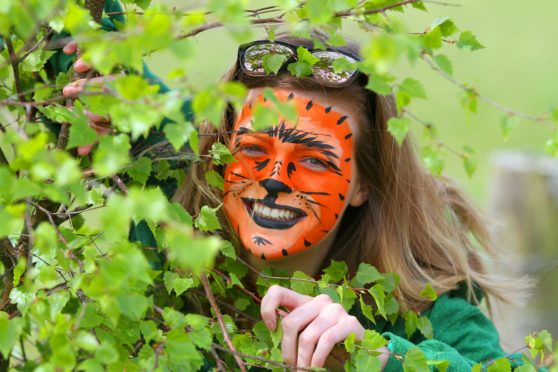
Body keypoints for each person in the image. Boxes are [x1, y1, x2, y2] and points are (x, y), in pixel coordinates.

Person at [63, 34, 527, 370]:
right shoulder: (175, 189)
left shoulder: (423, 305)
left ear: (365, 184)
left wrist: (380, 357)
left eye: (315, 161)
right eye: (253, 151)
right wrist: (103, 73)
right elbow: (71, 38)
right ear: (222, 150)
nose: (274, 181)